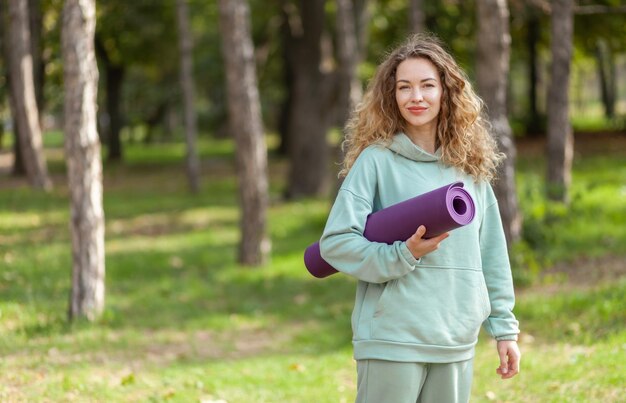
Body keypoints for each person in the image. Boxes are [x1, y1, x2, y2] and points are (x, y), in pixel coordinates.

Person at [318, 33, 521, 403]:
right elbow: (335, 243)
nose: (416, 97)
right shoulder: (376, 161)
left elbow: (492, 254)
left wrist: (505, 329)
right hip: (392, 339)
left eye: (427, 85)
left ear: (446, 91)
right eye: (404, 87)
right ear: (391, 96)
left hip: (455, 339)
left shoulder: (468, 170)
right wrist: (401, 254)